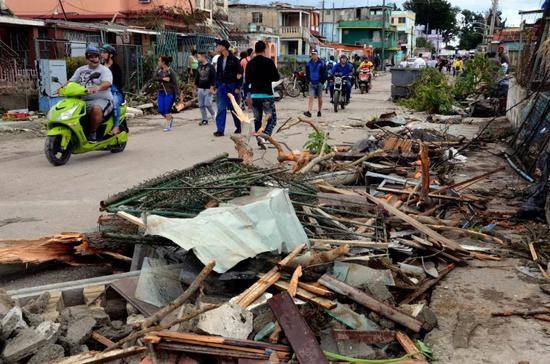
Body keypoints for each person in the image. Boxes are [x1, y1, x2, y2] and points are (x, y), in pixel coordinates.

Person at [68, 46, 113, 142]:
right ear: (87, 58)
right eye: (91, 56)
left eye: (96, 56)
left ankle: (93, 133)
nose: (94, 59)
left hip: (102, 100)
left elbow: (107, 83)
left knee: (96, 109)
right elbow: (71, 82)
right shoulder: (80, 70)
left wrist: (98, 87)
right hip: (82, 100)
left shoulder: (104, 70)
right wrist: (62, 88)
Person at [246, 40, 280, 149]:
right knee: (272, 119)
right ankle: (264, 137)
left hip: (255, 95)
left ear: (255, 50)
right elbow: (276, 77)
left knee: (258, 119)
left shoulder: (250, 63)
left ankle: (259, 139)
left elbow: (247, 80)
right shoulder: (269, 62)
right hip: (266, 95)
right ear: (265, 50)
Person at [213, 39, 243, 137]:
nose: (217, 47)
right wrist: (216, 86)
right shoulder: (219, 59)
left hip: (232, 86)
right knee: (221, 108)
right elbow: (218, 73)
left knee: (234, 108)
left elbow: (240, 73)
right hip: (222, 86)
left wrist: (238, 87)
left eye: (219, 45)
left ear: (224, 47)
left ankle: (238, 126)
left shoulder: (234, 59)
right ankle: (220, 130)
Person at [100, 44, 123, 135]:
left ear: (111, 55)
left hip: (114, 92)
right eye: (102, 52)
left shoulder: (116, 67)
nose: (102, 54)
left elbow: (120, 83)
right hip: (101, 91)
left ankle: (116, 126)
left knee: (115, 104)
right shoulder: (100, 67)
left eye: (105, 52)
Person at [156, 55, 178, 132]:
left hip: (169, 93)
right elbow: (154, 78)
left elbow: (175, 83)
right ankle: (170, 118)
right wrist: (163, 79)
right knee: (160, 110)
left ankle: (168, 126)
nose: (158, 62)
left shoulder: (170, 71)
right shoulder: (159, 70)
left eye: (159, 61)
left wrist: (176, 95)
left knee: (166, 110)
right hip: (161, 92)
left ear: (163, 62)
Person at [195, 51, 216, 126]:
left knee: (207, 104)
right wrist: (195, 87)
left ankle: (214, 115)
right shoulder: (199, 66)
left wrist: (212, 87)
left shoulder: (210, 66)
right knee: (201, 105)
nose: (198, 58)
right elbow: (197, 78)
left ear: (203, 57)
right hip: (200, 88)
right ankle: (204, 119)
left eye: (199, 57)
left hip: (208, 88)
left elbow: (213, 78)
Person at [303, 50, 326, 118]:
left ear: (317, 55)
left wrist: (322, 82)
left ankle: (319, 111)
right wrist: (308, 81)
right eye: (312, 54)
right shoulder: (308, 63)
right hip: (312, 83)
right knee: (311, 97)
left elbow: (325, 73)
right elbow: (307, 73)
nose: (313, 55)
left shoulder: (321, 63)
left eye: (314, 54)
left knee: (320, 98)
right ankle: (309, 112)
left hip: (319, 83)